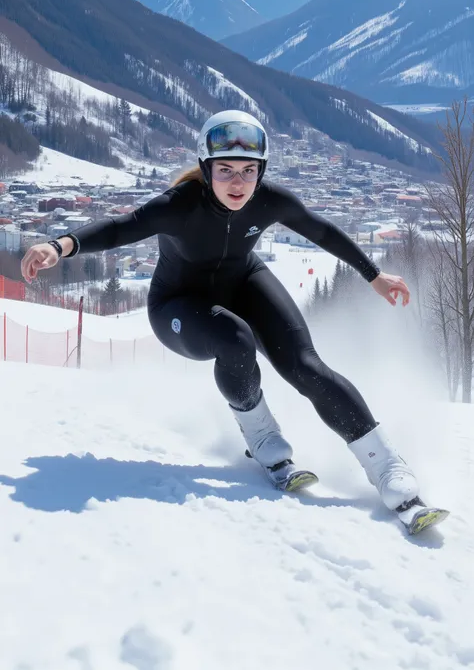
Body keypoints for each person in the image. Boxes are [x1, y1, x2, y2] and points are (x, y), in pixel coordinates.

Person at [21, 110, 423, 510]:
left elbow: (321, 230)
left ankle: (387, 466)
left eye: (248, 171)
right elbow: (119, 227)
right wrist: (59, 246)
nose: (237, 182)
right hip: (178, 304)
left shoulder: (269, 200)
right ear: (206, 168)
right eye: (226, 170)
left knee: (305, 365)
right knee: (235, 340)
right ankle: (262, 436)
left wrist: (374, 275)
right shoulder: (179, 205)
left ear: (261, 172)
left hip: (244, 282)